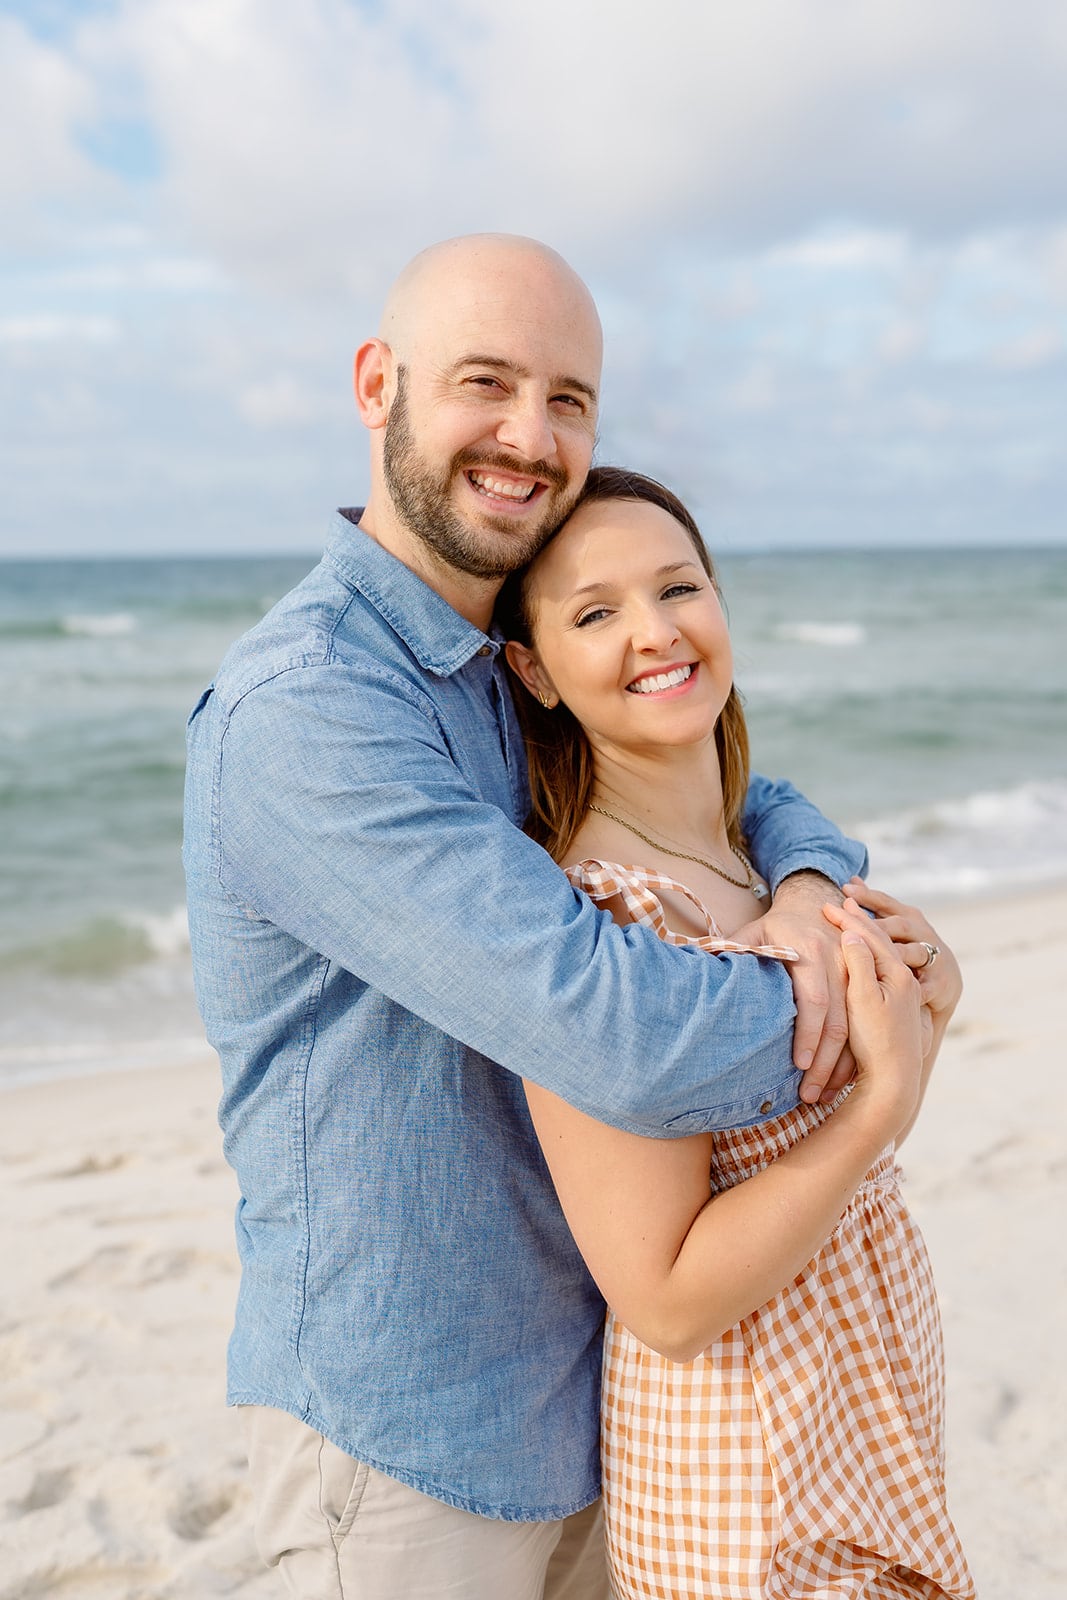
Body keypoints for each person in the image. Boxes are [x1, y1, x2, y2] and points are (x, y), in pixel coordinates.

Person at [184, 233, 877, 1600]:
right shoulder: (308, 712)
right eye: (484, 384)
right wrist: (875, 1015)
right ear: (377, 383)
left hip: (592, 1408)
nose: (527, 435)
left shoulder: (519, 654)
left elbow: (731, 789)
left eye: (567, 398)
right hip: (401, 1444)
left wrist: (806, 885)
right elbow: (612, 1030)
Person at [500, 466, 975, 1599]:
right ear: (534, 671)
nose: (655, 632)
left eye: (678, 587)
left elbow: (844, 1105)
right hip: (749, 1482)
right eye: (594, 612)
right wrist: (878, 1109)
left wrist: (928, 1001)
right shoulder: (608, 927)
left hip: (861, 1417)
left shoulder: (768, 864)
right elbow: (662, 1298)